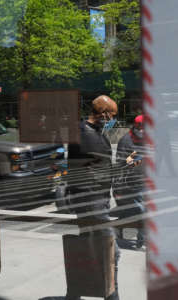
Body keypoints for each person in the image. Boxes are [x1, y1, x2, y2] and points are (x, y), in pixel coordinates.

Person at [65, 95, 130, 300]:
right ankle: (112, 297)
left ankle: (74, 294)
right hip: (90, 200)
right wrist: (124, 163)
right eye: (111, 115)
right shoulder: (87, 135)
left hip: (93, 198)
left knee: (86, 249)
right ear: (102, 113)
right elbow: (100, 170)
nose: (112, 120)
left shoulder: (91, 131)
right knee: (111, 251)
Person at [114, 115, 146, 248]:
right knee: (143, 211)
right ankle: (141, 241)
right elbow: (121, 163)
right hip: (131, 183)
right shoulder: (125, 140)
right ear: (138, 126)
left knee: (129, 212)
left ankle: (119, 232)